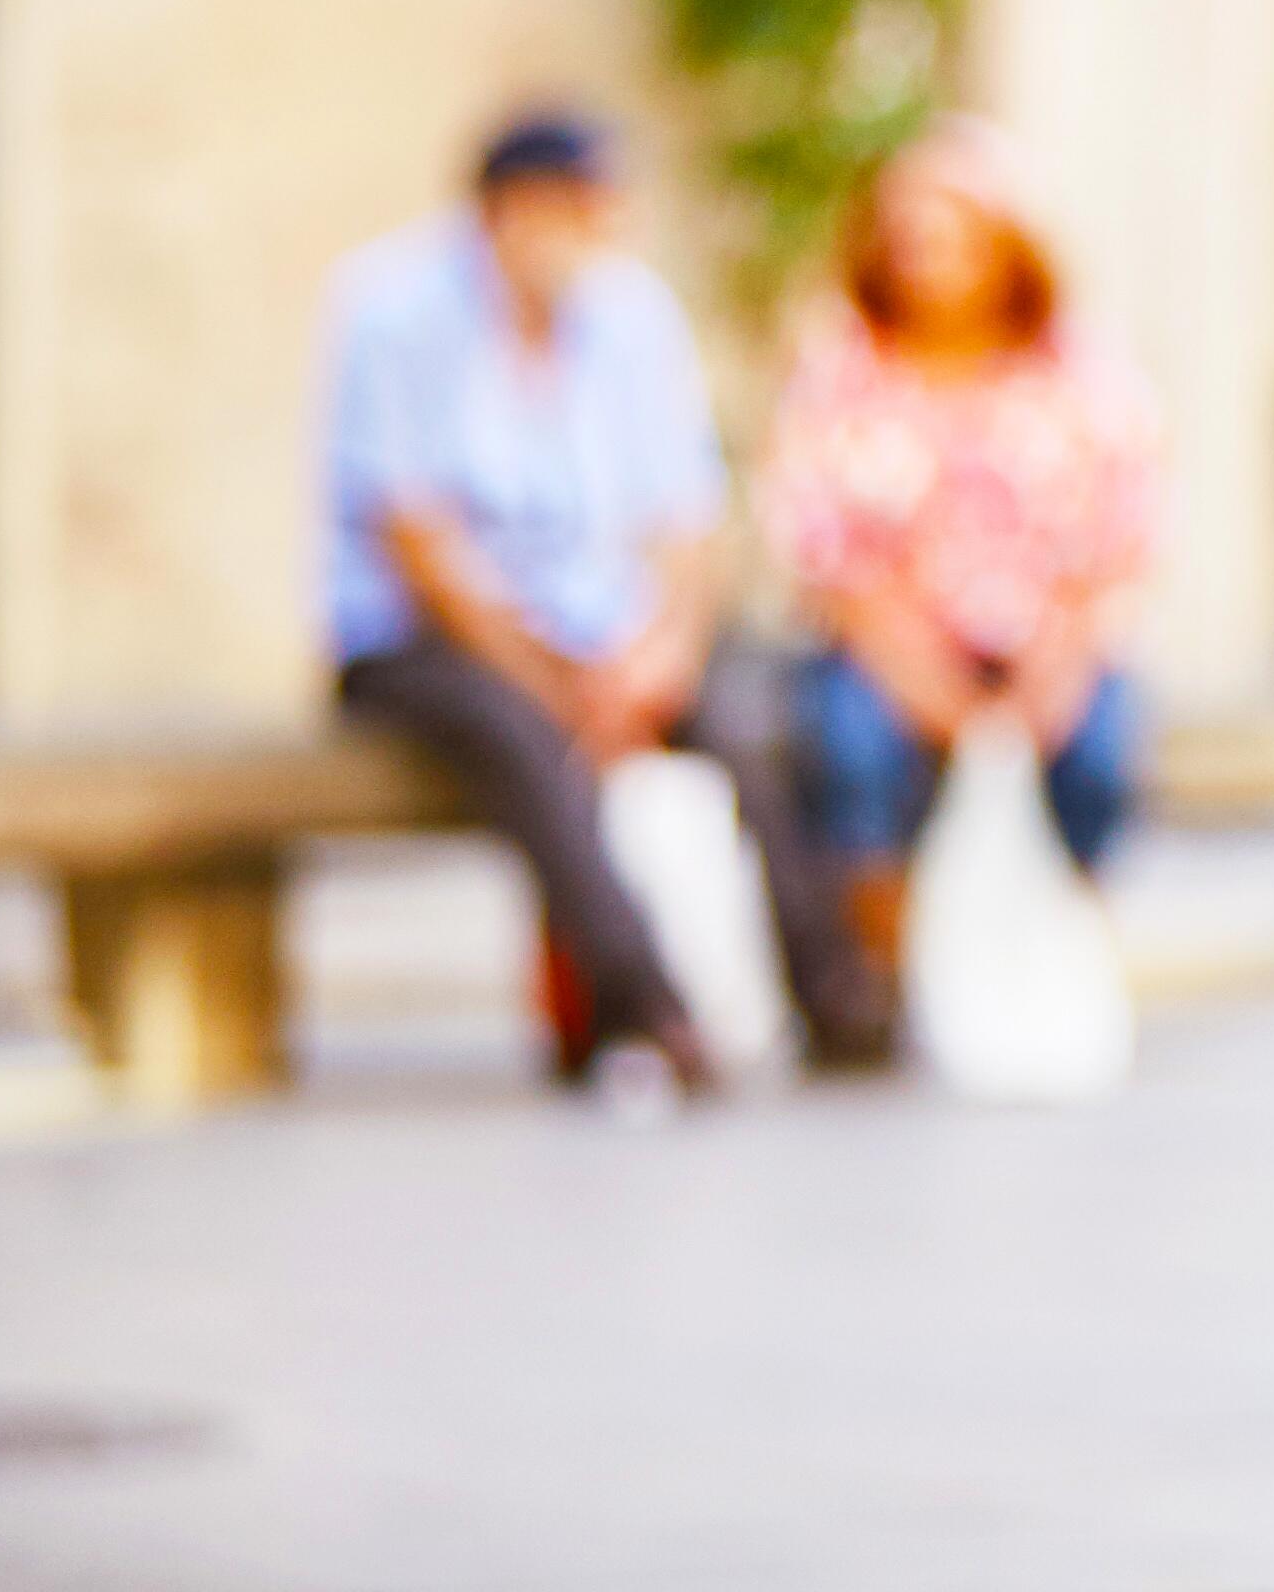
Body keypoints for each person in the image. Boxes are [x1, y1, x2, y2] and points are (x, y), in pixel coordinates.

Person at [323, 109, 866, 1095]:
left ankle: (831, 988)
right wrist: (557, 684)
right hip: (430, 642)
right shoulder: (393, 312)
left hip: (605, 632)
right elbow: (418, 542)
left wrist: (658, 655)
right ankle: (647, 1004)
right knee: (528, 744)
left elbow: (687, 519)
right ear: (507, 211)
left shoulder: (629, 314)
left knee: (741, 720)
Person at [763, 118, 1161, 1034]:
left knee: (1099, 754)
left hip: (1045, 642)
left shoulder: (1077, 367)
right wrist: (920, 679)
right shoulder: (842, 367)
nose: (928, 259)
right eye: (909, 238)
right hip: (888, 644)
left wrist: (1057, 663)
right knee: (854, 749)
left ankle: (1061, 962)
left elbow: (1123, 531)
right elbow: (821, 546)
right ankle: (888, 973)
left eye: (951, 237)